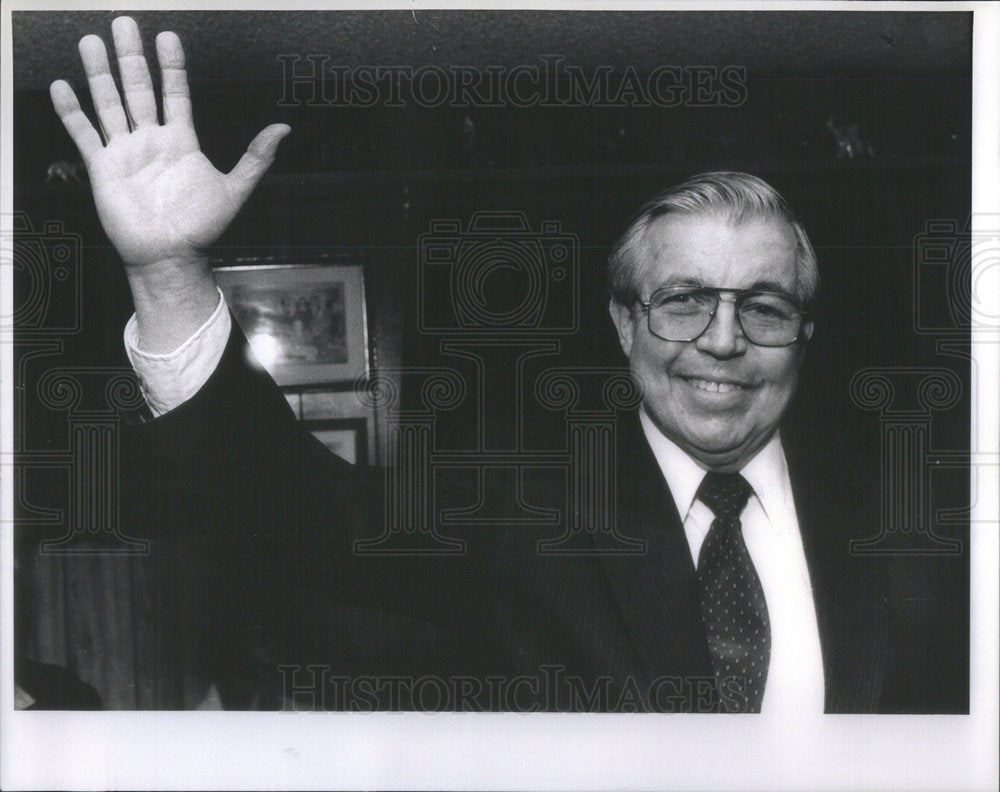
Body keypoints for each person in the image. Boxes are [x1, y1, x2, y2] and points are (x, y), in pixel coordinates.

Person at [50, 17, 965, 713]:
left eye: (764, 307)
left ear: (805, 330)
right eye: (683, 300)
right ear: (622, 323)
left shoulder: (917, 520)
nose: (722, 341)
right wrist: (167, 274)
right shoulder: (516, 510)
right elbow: (292, 517)